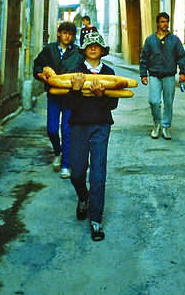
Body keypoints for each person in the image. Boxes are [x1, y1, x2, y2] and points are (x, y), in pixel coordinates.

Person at [67, 31, 118, 242]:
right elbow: (69, 105)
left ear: (103, 50)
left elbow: (113, 105)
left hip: (101, 126)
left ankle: (96, 220)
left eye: (97, 45)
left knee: (98, 173)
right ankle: (83, 197)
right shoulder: (75, 72)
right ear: (84, 50)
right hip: (78, 126)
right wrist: (76, 91)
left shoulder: (109, 72)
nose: (93, 47)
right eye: (89, 45)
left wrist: (101, 95)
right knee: (77, 172)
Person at [33, 22, 83, 179]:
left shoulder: (77, 52)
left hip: (70, 97)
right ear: (59, 34)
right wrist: (41, 75)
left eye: (71, 33)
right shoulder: (49, 50)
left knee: (67, 131)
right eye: (65, 33)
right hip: (53, 96)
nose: (67, 36)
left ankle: (66, 165)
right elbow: (37, 66)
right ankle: (57, 151)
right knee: (52, 129)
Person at [139, 12, 185, 140]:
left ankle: (165, 126)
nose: (164, 24)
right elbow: (144, 58)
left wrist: (183, 72)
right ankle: (157, 124)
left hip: (169, 75)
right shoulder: (150, 40)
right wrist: (143, 74)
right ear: (157, 23)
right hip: (154, 74)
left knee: (168, 102)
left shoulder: (174, 40)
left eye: (166, 21)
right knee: (154, 101)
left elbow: (181, 56)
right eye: (162, 21)